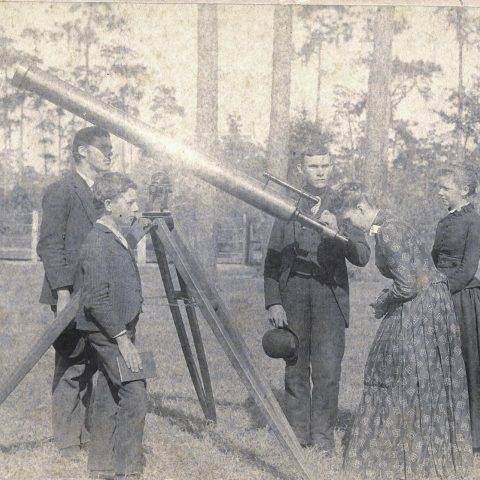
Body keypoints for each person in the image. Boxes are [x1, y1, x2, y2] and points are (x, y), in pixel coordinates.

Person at [337, 183, 472, 479]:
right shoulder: (392, 222)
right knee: (422, 377)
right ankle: (426, 449)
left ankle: (399, 455)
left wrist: (384, 300)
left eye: (348, 220)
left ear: (361, 209)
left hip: (420, 307)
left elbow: (409, 284)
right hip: (432, 303)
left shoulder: (387, 230)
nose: (349, 227)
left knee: (394, 371)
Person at [263, 146, 370, 452]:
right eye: (313, 166)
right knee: (295, 364)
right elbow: (271, 259)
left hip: (329, 295)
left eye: (325, 165)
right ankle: (298, 436)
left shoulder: (343, 204)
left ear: (331, 166)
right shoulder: (288, 202)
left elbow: (362, 255)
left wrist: (339, 232)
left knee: (328, 369)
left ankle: (323, 439)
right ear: (303, 169)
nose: (320, 171)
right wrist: (274, 301)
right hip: (294, 292)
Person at [37, 126, 113, 458]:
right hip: (71, 294)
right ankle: (67, 443)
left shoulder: (104, 194)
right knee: (72, 365)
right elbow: (50, 245)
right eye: (104, 148)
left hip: (99, 295)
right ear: (83, 151)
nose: (110, 153)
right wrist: (63, 291)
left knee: (96, 363)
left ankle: (89, 434)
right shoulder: (61, 191)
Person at [75, 172, 147, 480]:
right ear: (108, 204)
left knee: (106, 391)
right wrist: (123, 339)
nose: (136, 208)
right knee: (135, 392)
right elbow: (96, 300)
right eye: (130, 202)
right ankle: (126, 470)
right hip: (108, 332)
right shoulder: (96, 242)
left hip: (116, 330)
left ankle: (101, 466)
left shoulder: (116, 235)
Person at [432, 165, 480, 454]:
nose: (439, 192)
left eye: (445, 187)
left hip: (461, 299)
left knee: (467, 363)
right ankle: (444, 428)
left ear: (463, 190)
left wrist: (441, 291)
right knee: (440, 363)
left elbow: (467, 270)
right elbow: (436, 258)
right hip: (440, 294)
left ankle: (473, 436)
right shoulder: (444, 220)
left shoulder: (474, 220)